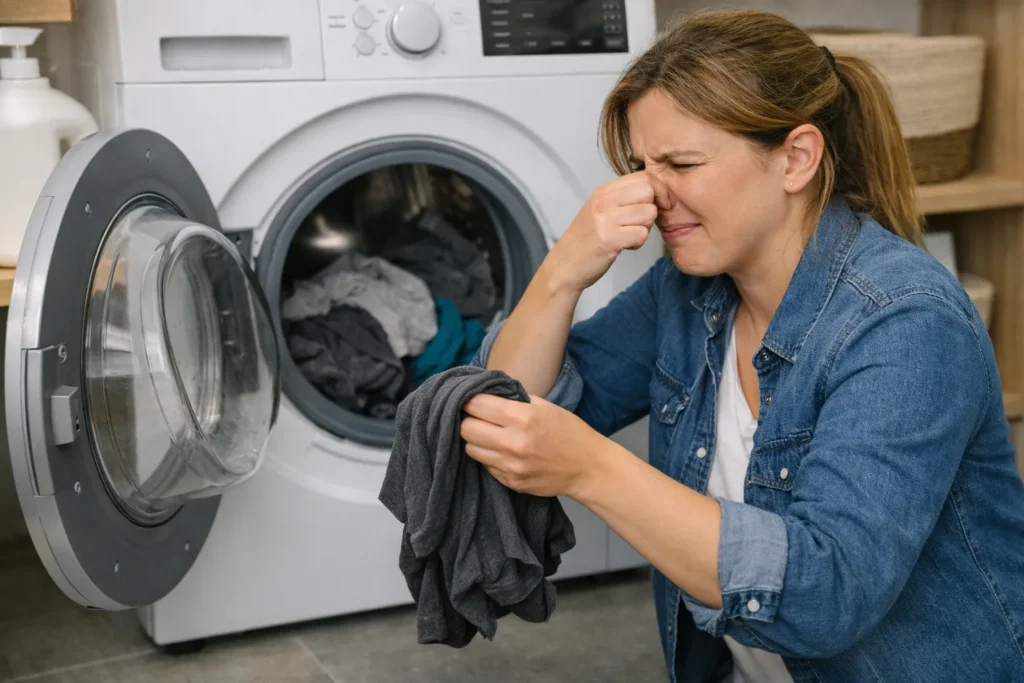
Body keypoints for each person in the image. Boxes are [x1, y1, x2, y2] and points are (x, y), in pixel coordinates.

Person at [459, 9, 1024, 683]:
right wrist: (563, 271)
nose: (648, 194)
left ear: (796, 158)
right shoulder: (688, 290)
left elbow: (826, 593)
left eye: (681, 163)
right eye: (641, 166)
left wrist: (591, 468)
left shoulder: (904, 321)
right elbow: (511, 409)